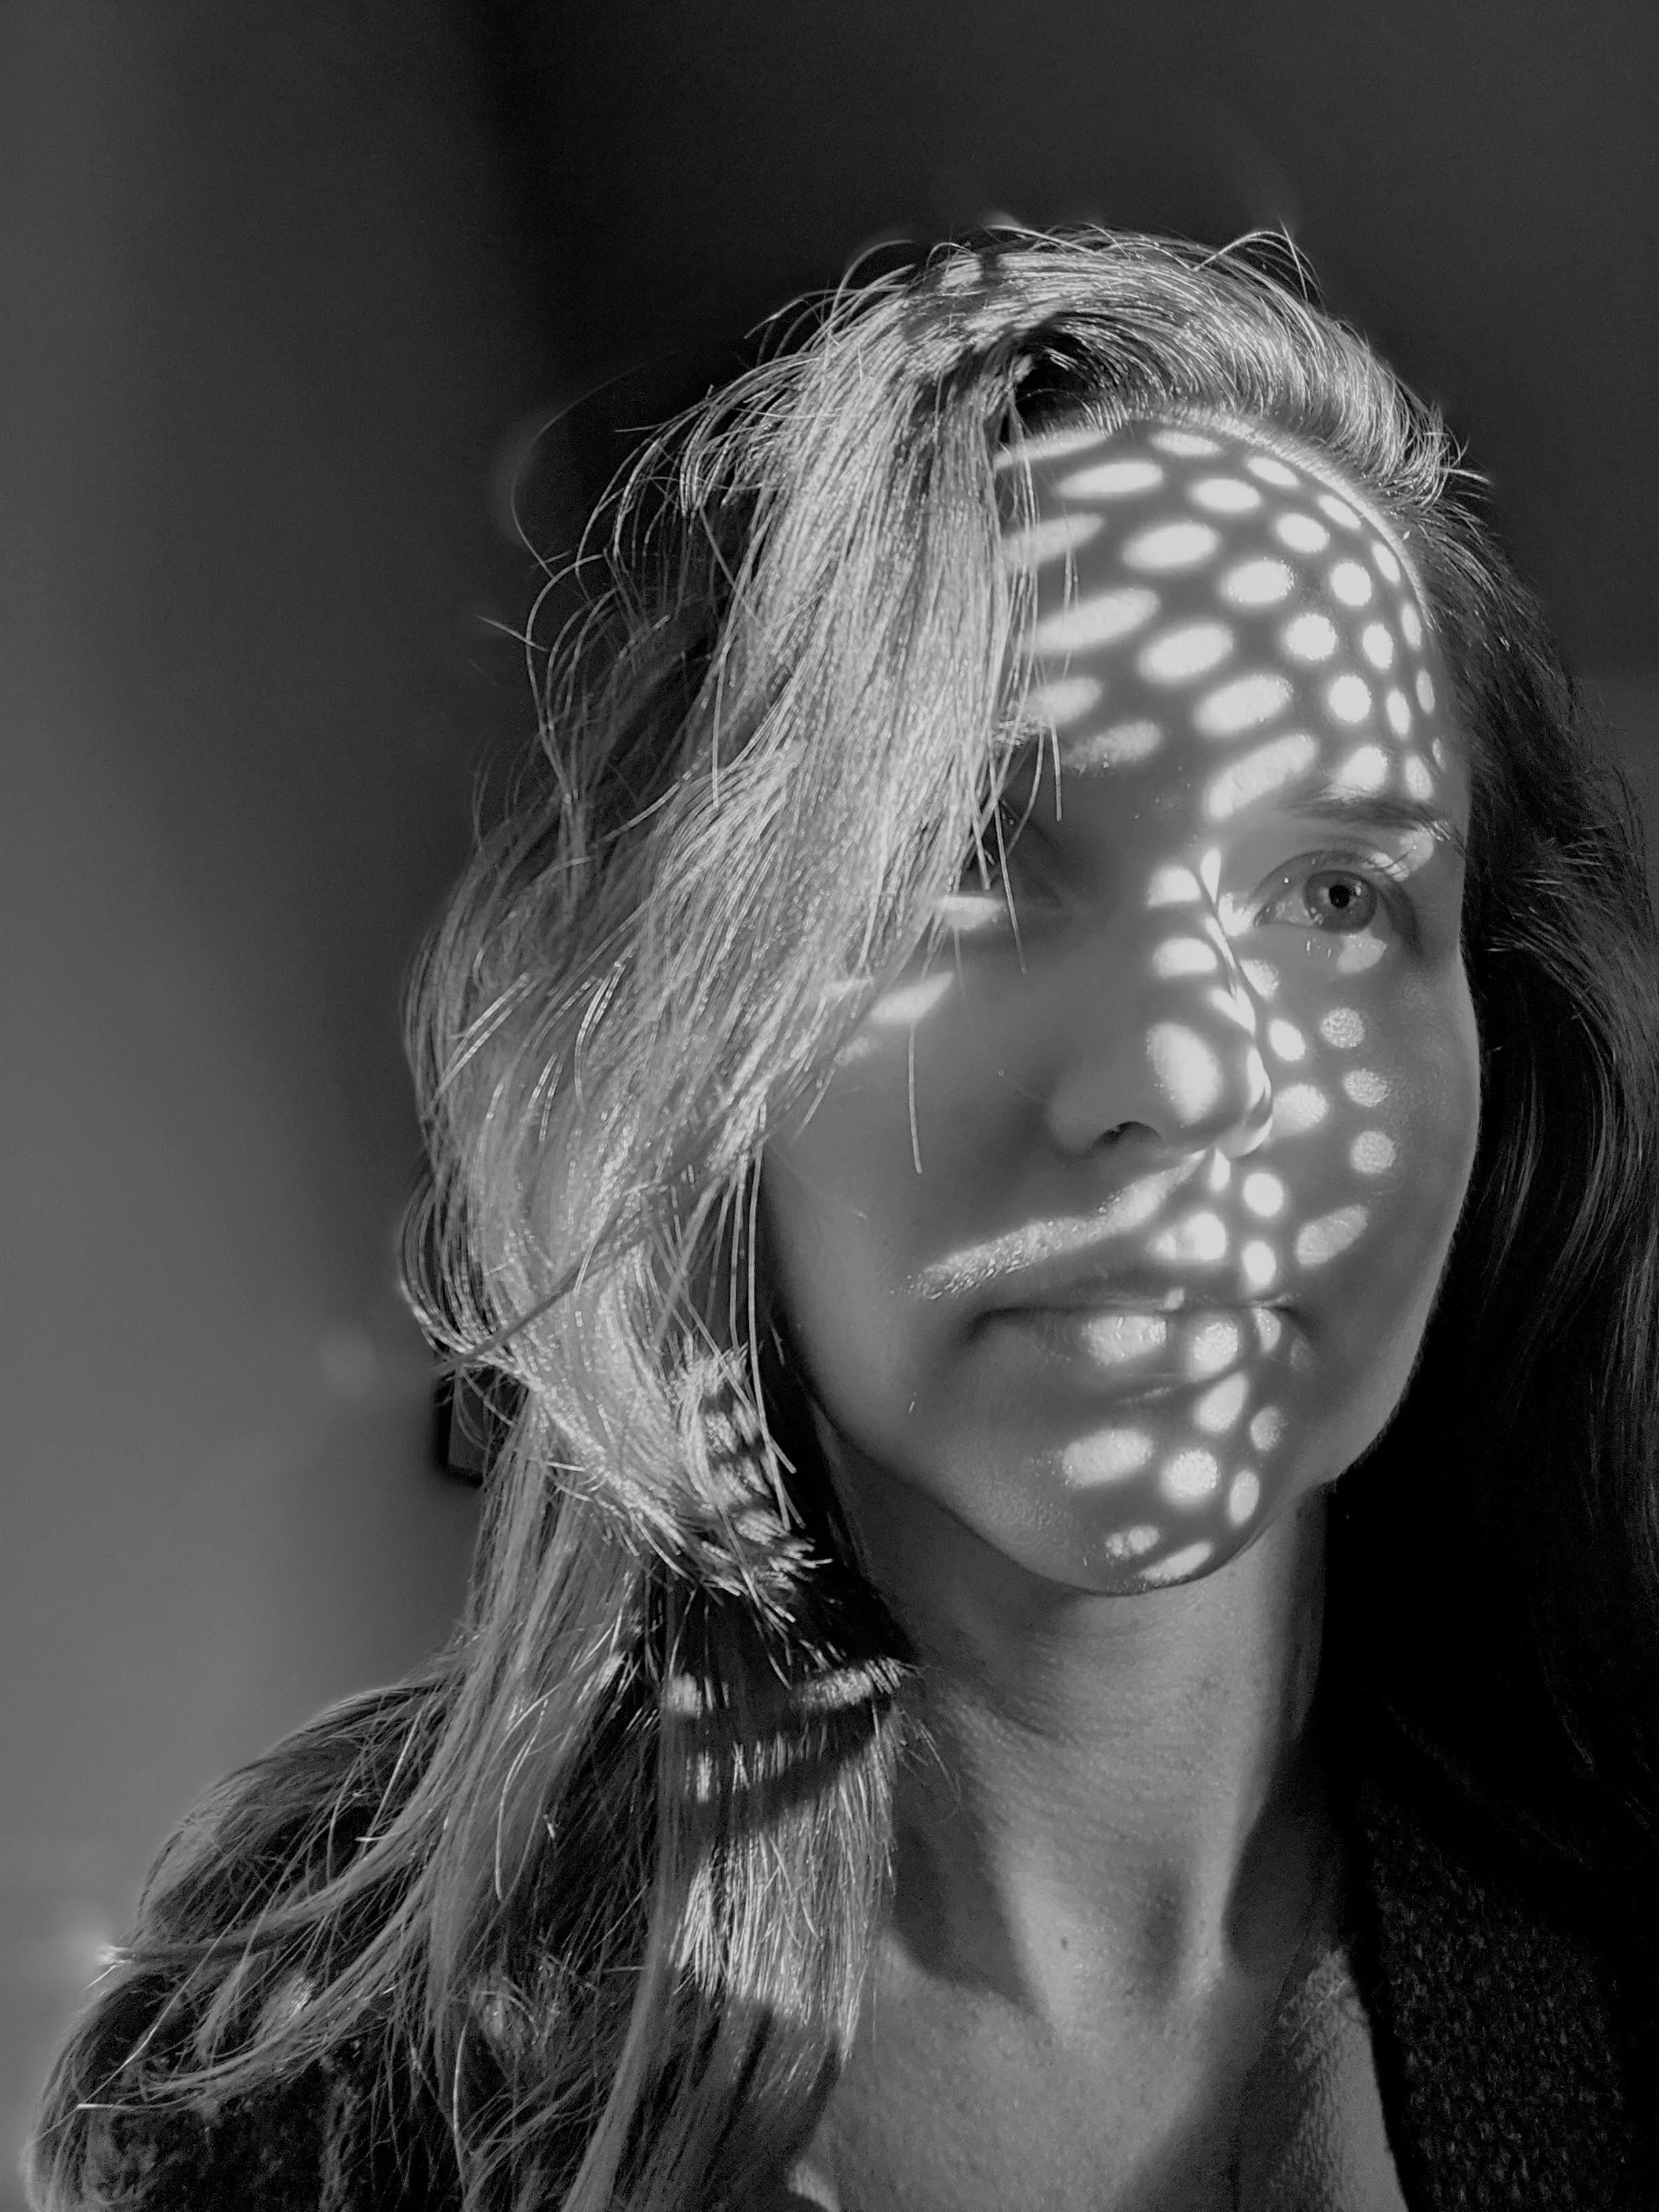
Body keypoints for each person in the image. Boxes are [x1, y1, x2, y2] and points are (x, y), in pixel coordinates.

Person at [26, 227, 1659, 2211]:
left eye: (1337, 897)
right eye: (966, 858)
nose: (1181, 1072)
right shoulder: (325, 2071)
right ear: (707, 1016)